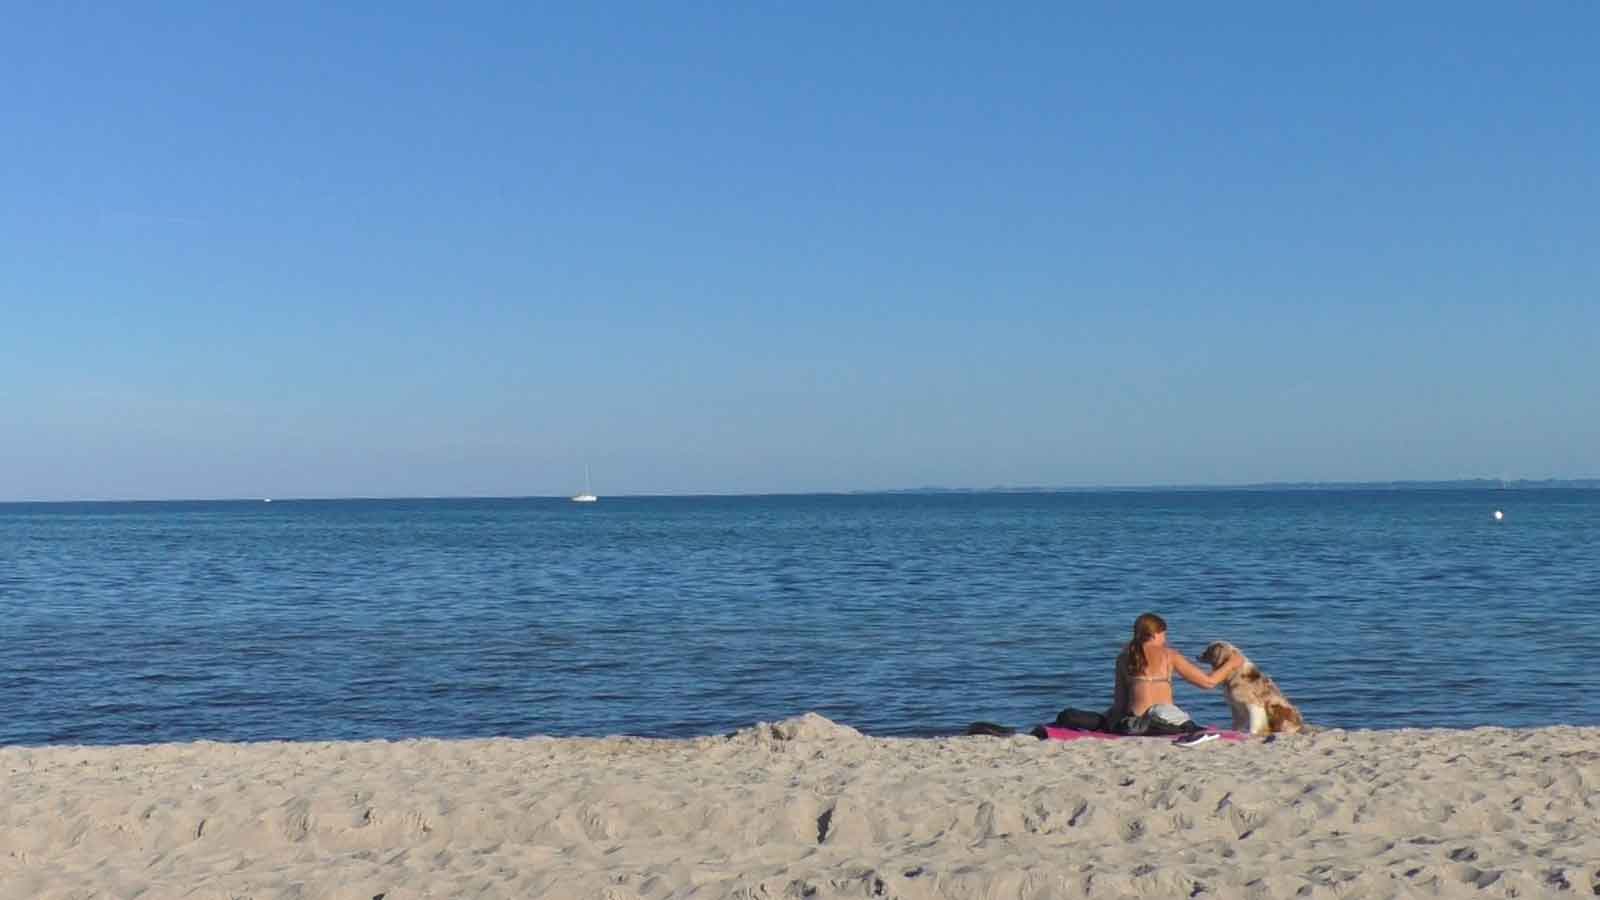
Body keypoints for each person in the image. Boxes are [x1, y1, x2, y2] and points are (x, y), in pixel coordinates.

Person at [1105, 612, 1243, 733]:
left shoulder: (1123, 657)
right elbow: (1208, 682)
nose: (1165, 639)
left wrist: (1110, 720)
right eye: (1164, 634)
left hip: (1134, 725)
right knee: (1185, 724)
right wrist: (1232, 663)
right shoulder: (1169, 655)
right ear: (1154, 635)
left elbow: (1119, 703)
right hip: (1165, 723)